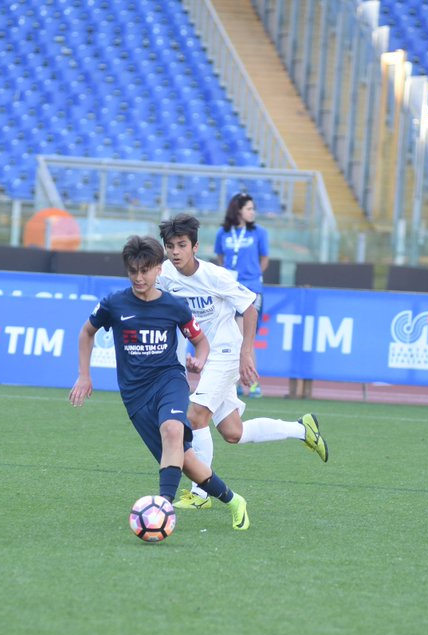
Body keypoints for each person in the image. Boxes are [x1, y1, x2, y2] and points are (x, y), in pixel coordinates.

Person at [69, 235, 250, 530]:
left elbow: (201, 341)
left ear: (158, 270)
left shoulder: (174, 306)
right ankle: (233, 500)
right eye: (133, 271)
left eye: (145, 271)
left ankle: (163, 508)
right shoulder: (114, 304)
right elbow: (86, 332)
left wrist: (200, 360)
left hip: (169, 380)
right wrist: (84, 375)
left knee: (172, 429)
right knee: (185, 460)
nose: (139, 278)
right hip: (135, 394)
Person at [159, 213, 328, 511]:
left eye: (181, 245)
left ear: (195, 247)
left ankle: (200, 494)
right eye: (170, 246)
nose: (175, 252)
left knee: (196, 416)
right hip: (207, 356)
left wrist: (246, 353)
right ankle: (303, 429)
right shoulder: (164, 274)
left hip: (226, 351)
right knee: (233, 433)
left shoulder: (215, 276)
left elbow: (250, 307)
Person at [214, 192, 269, 398]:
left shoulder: (259, 232)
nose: (253, 212)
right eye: (249, 208)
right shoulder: (223, 232)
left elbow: (264, 259)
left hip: (251, 289)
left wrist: (253, 276)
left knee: (245, 336)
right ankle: (238, 383)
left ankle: (252, 383)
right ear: (238, 210)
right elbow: (221, 257)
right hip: (230, 289)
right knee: (232, 337)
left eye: (253, 208)